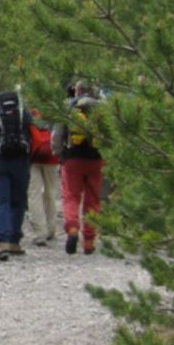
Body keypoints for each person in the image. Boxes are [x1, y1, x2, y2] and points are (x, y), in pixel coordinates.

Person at [0, 88, 50, 260]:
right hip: (21, 162)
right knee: (18, 201)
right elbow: (38, 139)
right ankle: (15, 241)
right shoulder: (24, 114)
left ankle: (2, 242)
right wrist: (29, 156)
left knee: (1, 201)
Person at [56, 81, 105, 255]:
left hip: (72, 159)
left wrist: (60, 154)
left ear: (77, 91)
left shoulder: (69, 108)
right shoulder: (103, 108)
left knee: (71, 196)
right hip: (96, 160)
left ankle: (72, 229)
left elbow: (57, 134)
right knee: (93, 200)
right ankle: (89, 242)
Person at [27, 109, 62, 246]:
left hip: (33, 155)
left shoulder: (28, 113)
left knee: (33, 193)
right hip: (51, 155)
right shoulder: (52, 112)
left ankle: (39, 232)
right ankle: (51, 228)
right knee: (50, 192)